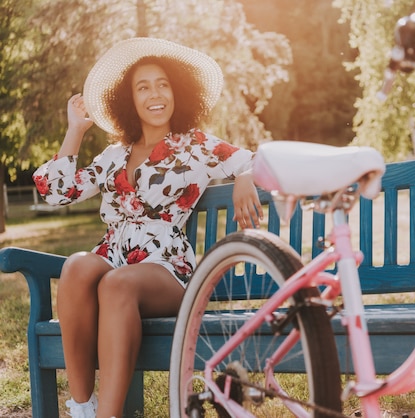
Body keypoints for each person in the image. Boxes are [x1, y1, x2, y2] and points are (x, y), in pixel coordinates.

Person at [32, 37, 263, 418]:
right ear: (130, 100)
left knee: (116, 284)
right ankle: (82, 408)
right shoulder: (114, 155)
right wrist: (75, 129)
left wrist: (245, 175)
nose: (154, 94)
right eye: (143, 87)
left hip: (166, 269)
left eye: (162, 84)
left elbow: (251, 158)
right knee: (76, 265)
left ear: (177, 92)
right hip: (113, 258)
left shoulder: (195, 146)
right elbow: (57, 192)